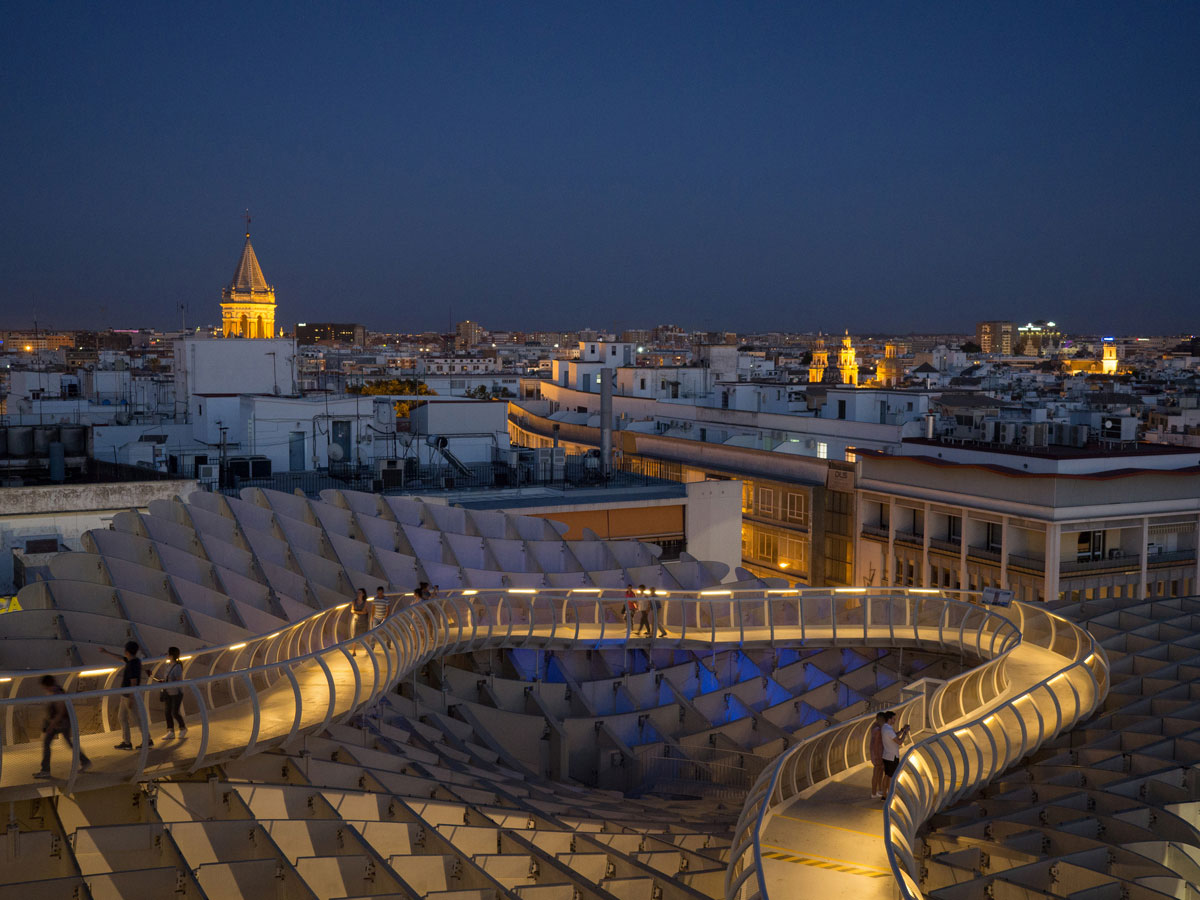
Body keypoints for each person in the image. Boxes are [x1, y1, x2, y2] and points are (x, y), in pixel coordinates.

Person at [34, 674, 91, 778]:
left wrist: (51, 725)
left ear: (46, 685)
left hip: (60, 723)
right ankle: (85, 761)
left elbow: (60, 712)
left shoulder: (57, 693)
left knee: (47, 743)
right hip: (60, 722)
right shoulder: (55, 691)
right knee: (68, 743)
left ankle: (45, 770)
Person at [100, 640, 152, 750]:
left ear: (127, 651)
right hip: (126, 696)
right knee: (122, 717)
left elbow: (133, 682)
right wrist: (106, 652)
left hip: (129, 696)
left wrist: (131, 699)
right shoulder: (134, 661)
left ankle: (147, 740)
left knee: (136, 719)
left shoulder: (131, 665)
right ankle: (127, 742)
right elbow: (120, 658)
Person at [156, 646, 187, 740]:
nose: (167, 655)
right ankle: (170, 731)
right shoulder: (169, 665)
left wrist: (168, 682)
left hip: (176, 693)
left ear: (171, 655)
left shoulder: (177, 666)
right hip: (168, 691)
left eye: (168, 653)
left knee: (174, 712)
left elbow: (179, 681)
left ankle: (183, 728)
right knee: (167, 712)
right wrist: (164, 681)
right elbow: (169, 678)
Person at [879, 710, 911, 797]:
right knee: (891, 777)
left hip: (886, 755)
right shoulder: (888, 729)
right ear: (889, 719)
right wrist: (905, 733)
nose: (894, 720)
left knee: (886, 775)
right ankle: (890, 795)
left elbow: (894, 736)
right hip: (892, 757)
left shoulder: (885, 727)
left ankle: (884, 795)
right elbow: (899, 742)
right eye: (893, 719)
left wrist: (902, 730)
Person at [869, 712, 887, 799]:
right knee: (877, 772)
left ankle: (878, 790)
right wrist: (877, 756)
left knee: (879, 772)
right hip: (877, 753)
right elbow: (876, 744)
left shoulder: (876, 726)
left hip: (878, 752)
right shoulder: (877, 730)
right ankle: (873, 792)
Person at [349, 588, 369, 656]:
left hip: (363, 621)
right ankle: (354, 651)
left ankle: (367, 649)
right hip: (356, 620)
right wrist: (360, 612)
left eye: (360, 593)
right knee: (354, 635)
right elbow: (352, 611)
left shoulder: (365, 602)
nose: (358, 594)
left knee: (365, 634)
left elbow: (364, 612)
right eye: (357, 593)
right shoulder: (354, 601)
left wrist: (356, 611)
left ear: (363, 594)